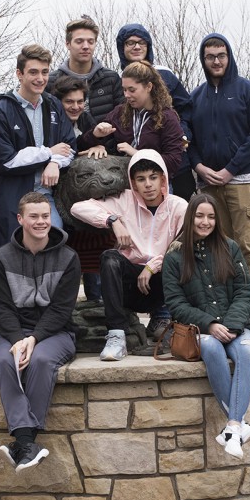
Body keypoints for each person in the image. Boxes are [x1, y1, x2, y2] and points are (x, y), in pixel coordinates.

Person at [0, 192, 80, 471]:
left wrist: (33, 338)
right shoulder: (2, 257)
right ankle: (28, 444)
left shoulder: (68, 257)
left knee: (40, 359)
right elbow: (2, 308)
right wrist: (18, 340)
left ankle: (24, 441)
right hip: (12, 331)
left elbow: (61, 310)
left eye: (45, 216)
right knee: (5, 359)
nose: (41, 222)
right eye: (34, 216)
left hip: (55, 333)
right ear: (20, 219)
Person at [163, 194, 250, 458]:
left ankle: (232, 427)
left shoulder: (230, 248)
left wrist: (231, 325)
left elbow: (244, 291)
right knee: (213, 349)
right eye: (200, 216)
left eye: (211, 217)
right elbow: (175, 304)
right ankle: (239, 425)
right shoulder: (174, 256)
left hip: (235, 326)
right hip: (198, 331)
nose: (205, 222)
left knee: (247, 351)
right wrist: (210, 324)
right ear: (190, 218)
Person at [189, 33, 250, 335]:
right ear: (203, 59)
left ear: (229, 56)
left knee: (247, 243)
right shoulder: (196, 97)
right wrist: (199, 166)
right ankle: (225, 308)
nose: (216, 61)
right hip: (208, 184)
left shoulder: (247, 90)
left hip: (242, 179)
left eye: (221, 55)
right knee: (217, 247)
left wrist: (230, 169)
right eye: (210, 56)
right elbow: (188, 140)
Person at [71, 150, 187, 361]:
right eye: (141, 179)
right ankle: (117, 335)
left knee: (180, 262)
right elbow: (77, 208)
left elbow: (181, 248)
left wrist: (152, 266)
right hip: (129, 283)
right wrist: (112, 220)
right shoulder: (124, 200)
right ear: (133, 183)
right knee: (110, 258)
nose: (148, 185)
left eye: (153, 177)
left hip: (161, 282)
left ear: (163, 179)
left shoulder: (179, 207)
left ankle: (173, 324)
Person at [0, 44, 76, 249]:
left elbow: (69, 146)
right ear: (19, 74)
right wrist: (48, 152)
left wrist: (54, 162)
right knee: (13, 253)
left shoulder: (54, 105)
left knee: (54, 245)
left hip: (46, 195)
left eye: (45, 72)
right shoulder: (0, 112)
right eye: (33, 72)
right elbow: (7, 161)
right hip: (13, 196)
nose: (40, 78)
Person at [115, 23, 195, 199]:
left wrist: (182, 134)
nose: (137, 47)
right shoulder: (118, 80)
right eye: (130, 43)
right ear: (122, 48)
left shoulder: (164, 74)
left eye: (142, 42)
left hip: (174, 162)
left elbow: (186, 110)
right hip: (136, 168)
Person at [51, 75, 106, 305]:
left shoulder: (85, 119)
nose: (75, 107)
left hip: (84, 197)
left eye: (80, 101)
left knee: (93, 244)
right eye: (69, 102)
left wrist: (99, 145)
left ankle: (96, 298)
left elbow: (96, 142)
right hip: (57, 193)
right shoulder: (52, 122)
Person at [80, 61, 184, 177]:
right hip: (123, 180)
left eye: (132, 90)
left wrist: (137, 154)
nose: (126, 95)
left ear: (149, 87)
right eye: (124, 90)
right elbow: (82, 145)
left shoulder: (167, 117)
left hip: (154, 183)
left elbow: (174, 161)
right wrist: (96, 137)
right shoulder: (120, 112)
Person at [46, 16, 123, 124]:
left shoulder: (111, 79)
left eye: (91, 42)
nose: (86, 46)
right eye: (79, 41)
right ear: (68, 44)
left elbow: (122, 118)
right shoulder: (50, 81)